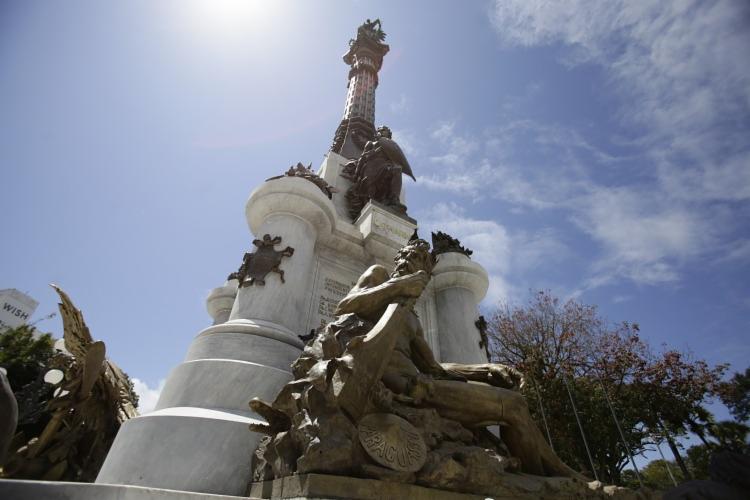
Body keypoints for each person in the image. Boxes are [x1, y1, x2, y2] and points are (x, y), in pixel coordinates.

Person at [335, 239, 581, 477]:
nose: (408, 259)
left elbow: (434, 367)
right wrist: (400, 286)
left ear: (427, 272)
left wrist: (484, 370)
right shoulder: (378, 277)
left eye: (418, 258)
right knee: (514, 407)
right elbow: (345, 306)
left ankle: (548, 478)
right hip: (399, 387)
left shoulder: (413, 321)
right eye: (405, 255)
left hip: (423, 388)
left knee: (513, 404)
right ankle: (560, 476)